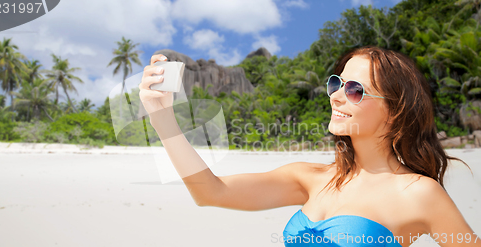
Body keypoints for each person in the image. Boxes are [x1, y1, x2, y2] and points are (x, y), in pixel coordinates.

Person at [138, 46, 480, 247]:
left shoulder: (419, 193)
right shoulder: (310, 178)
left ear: (395, 112)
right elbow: (211, 192)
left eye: (355, 89)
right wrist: (161, 118)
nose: (335, 95)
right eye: (337, 83)